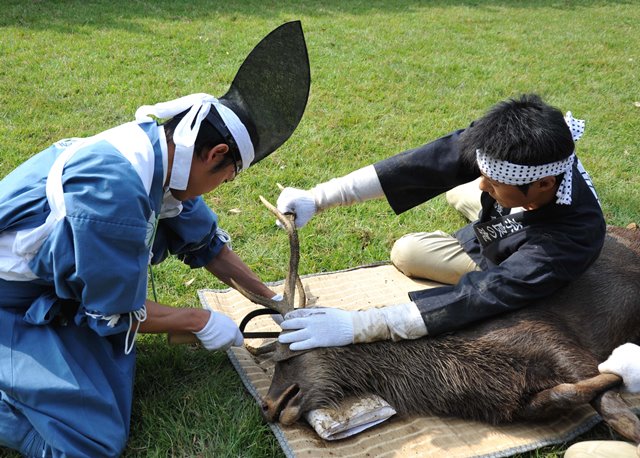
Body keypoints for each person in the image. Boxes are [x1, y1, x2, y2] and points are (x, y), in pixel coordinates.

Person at [0, 21, 310, 458]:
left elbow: (205, 243)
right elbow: (113, 315)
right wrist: (197, 321)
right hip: (9, 300)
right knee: (92, 443)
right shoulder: (114, 200)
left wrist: (271, 298)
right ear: (215, 154)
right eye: (227, 175)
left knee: (108, 372)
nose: (221, 185)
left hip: (47, 284)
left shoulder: (157, 152)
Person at [275, 93, 606, 350]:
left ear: (544, 185)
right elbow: (424, 164)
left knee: (409, 251)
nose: (483, 184)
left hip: (521, 248)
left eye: (493, 183)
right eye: (483, 175)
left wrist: (361, 326)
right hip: (511, 212)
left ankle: (476, 214)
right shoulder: (509, 147)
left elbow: (486, 293)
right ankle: (476, 204)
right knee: (459, 189)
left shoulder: (571, 238)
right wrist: (319, 197)